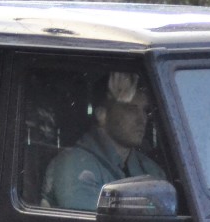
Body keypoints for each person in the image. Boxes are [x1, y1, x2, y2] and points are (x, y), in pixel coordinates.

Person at [46, 72, 165, 210]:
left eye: (145, 110)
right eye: (131, 109)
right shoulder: (73, 165)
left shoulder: (151, 169)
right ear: (102, 115)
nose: (142, 119)